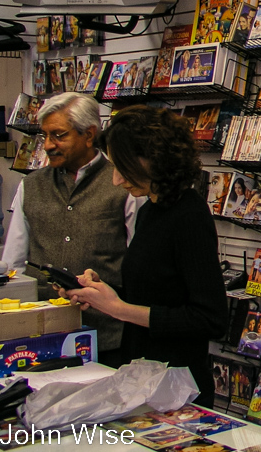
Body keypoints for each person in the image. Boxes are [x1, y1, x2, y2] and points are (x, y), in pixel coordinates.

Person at [65, 105, 228, 406]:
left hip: (178, 390)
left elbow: (210, 318)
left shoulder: (188, 216)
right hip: (143, 378)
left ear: (153, 160)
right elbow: (155, 294)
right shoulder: (150, 210)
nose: (115, 180)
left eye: (122, 167)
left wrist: (118, 309)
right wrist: (101, 292)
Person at [2, 93, 139, 366]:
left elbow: (139, 264)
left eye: (58, 135)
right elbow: (13, 263)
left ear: (89, 135)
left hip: (106, 338)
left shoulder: (124, 184)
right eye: (45, 136)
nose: (49, 145)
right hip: (37, 337)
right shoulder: (30, 185)